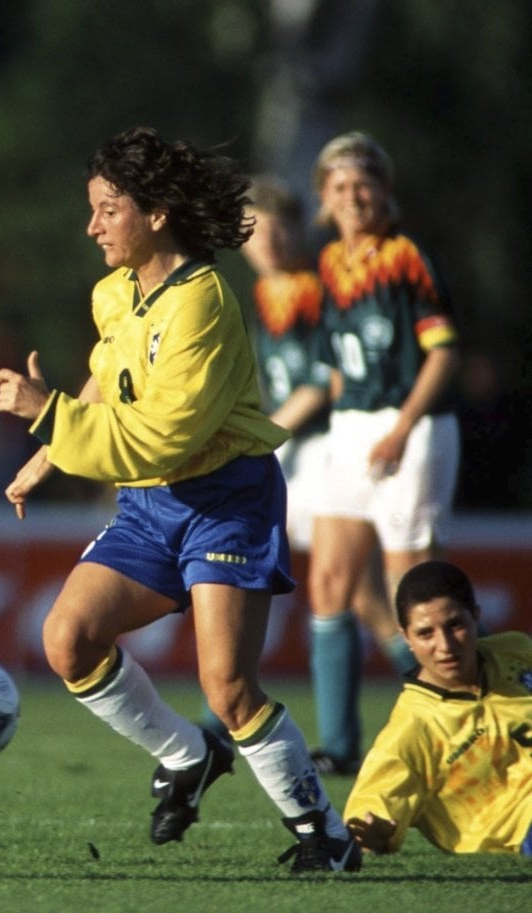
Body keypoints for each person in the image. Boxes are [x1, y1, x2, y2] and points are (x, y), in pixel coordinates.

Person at [0, 126, 360, 873]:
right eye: (91, 209)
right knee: (68, 640)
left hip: (225, 499)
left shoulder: (204, 304)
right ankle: (187, 757)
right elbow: (109, 375)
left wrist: (46, 415)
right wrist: (49, 452)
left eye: (107, 209)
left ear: (157, 212)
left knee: (226, 684)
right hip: (148, 504)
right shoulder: (114, 292)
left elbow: (161, 437)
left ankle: (325, 836)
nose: (91, 226)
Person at [240, 175, 411, 775]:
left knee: (353, 586)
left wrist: (264, 433)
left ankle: (445, 684)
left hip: (323, 449)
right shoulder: (267, 296)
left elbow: (324, 378)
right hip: (294, 450)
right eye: (256, 232)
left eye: (279, 229)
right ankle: (347, 730)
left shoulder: (314, 289)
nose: (269, 242)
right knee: (349, 589)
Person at [304, 132, 462, 776]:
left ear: (386, 191)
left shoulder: (405, 257)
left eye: (364, 182)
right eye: (339, 186)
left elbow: (444, 351)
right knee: (330, 583)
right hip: (351, 427)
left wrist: (401, 425)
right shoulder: (331, 266)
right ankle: (340, 744)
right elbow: (337, 367)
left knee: (412, 588)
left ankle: (457, 721)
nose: (353, 195)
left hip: (410, 424)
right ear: (324, 198)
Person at [343, 559, 532, 856]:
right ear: (405, 637)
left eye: (455, 625)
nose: (444, 646)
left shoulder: (515, 650)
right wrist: (373, 834)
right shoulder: (411, 730)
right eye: (425, 633)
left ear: (476, 618)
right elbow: (367, 814)